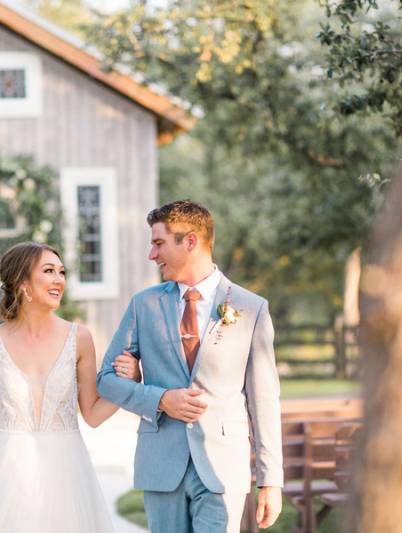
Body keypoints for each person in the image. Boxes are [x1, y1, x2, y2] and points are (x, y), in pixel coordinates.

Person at [98, 200, 284, 533]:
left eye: (159, 244)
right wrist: (159, 399)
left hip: (222, 465)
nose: (151, 255)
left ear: (191, 241)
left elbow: (264, 400)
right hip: (161, 464)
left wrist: (271, 480)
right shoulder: (144, 305)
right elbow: (106, 381)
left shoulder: (250, 307)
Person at [0, 242, 140, 533]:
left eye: (61, 272)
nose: (59, 280)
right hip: (10, 468)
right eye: (48, 271)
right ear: (23, 284)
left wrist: (131, 383)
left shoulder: (80, 338)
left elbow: (93, 414)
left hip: (67, 468)